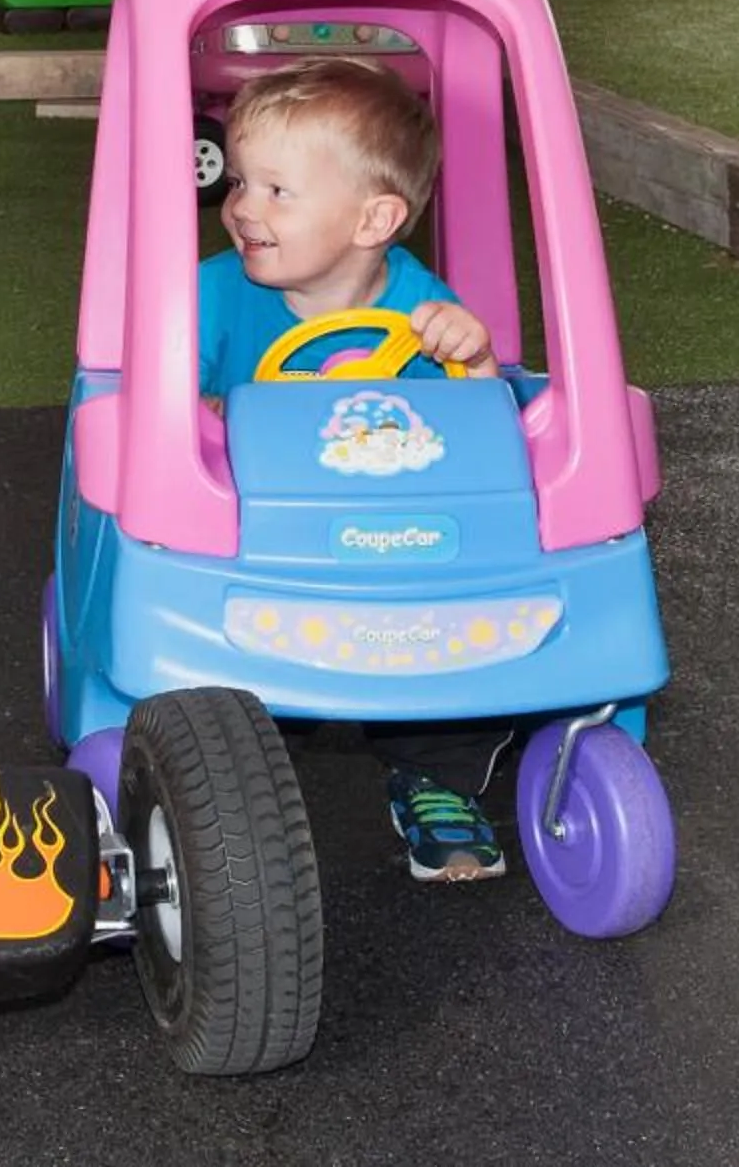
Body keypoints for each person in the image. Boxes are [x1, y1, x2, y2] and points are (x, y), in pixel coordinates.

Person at [197, 57, 518, 882]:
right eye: (238, 182)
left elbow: (484, 441)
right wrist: (207, 418)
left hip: (391, 548)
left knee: (458, 649)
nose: (241, 208)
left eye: (277, 191)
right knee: (213, 684)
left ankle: (437, 777)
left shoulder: (424, 310)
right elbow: (156, 407)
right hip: (257, 548)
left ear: (374, 219)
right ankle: (208, 784)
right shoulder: (211, 294)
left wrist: (475, 360)